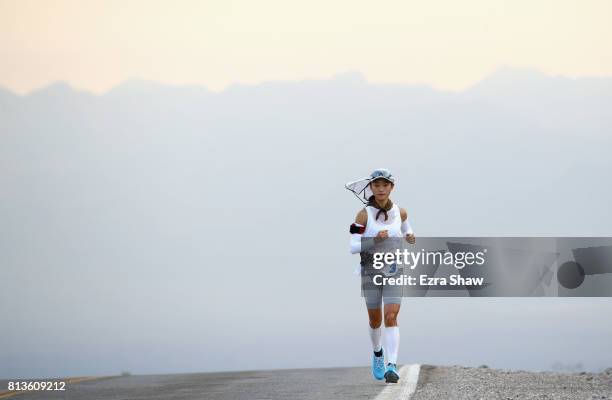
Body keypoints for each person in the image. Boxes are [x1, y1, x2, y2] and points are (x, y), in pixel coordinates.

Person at [348, 168, 415, 383]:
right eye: (376, 185)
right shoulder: (362, 215)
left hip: (395, 269)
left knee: (391, 316)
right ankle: (378, 352)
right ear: (371, 187)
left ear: (391, 187)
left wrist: (410, 236)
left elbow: (406, 228)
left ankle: (392, 366)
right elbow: (352, 245)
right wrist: (374, 239)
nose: (380, 189)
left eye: (385, 185)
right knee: (375, 320)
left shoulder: (401, 212)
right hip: (370, 271)